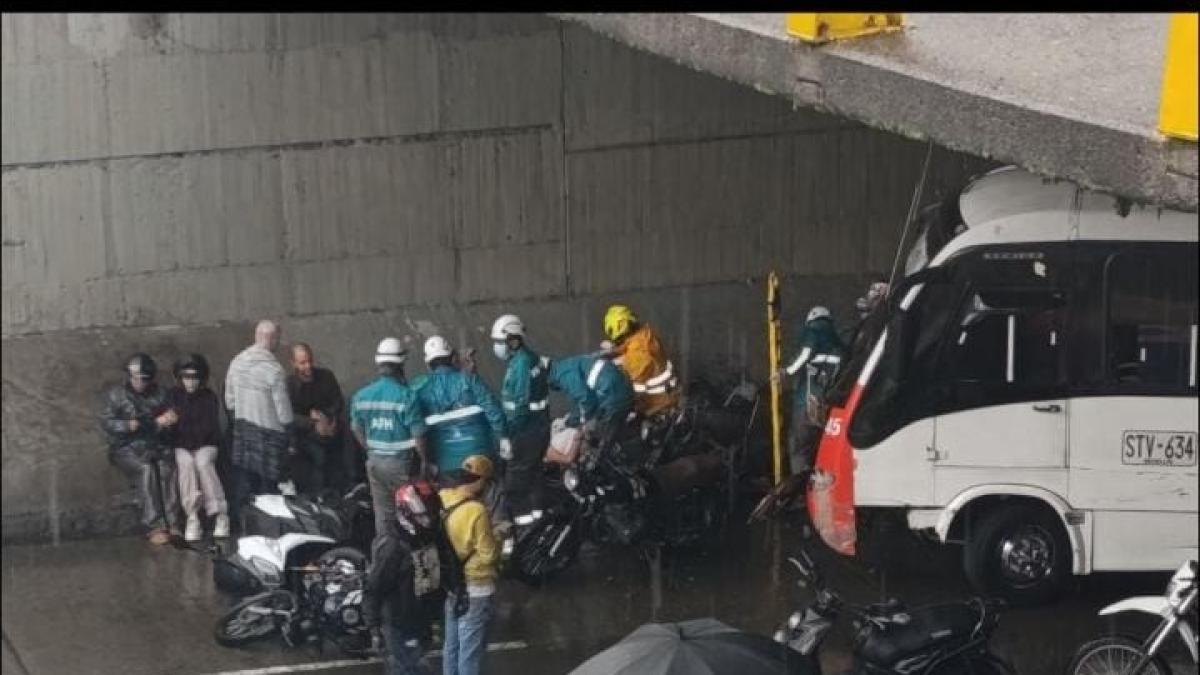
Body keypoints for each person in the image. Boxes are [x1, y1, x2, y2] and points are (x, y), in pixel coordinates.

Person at [364, 479, 454, 675]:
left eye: (430, 515)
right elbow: (374, 588)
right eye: (422, 516)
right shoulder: (392, 548)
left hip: (422, 619)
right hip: (399, 623)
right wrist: (373, 627)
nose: (428, 521)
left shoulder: (431, 536)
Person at [351, 337, 430, 536]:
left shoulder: (361, 396)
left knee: (384, 517)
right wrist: (426, 461)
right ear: (401, 363)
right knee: (415, 515)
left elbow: (355, 427)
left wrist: (370, 449)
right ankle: (416, 559)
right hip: (402, 466)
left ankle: (387, 557)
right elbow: (419, 435)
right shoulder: (407, 396)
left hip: (375, 464)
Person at [100, 353, 182, 545]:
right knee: (146, 470)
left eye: (144, 379)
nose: (140, 383)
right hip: (126, 447)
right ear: (129, 376)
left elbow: (170, 415)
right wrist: (126, 426)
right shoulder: (116, 395)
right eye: (136, 378)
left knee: (167, 468)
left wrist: (170, 419)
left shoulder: (161, 394)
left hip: (155, 444)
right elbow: (107, 422)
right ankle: (153, 525)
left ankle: (173, 522)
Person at [226, 320, 295, 525]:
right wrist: (290, 434)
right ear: (273, 339)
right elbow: (283, 412)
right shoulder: (273, 370)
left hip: (243, 430)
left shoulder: (236, 363)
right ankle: (269, 526)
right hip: (269, 436)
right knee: (269, 485)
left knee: (244, 481)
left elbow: (229, 401)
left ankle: (243, 523)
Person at [439, 456, 501, 675]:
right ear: (480, 480)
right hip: (476, 586)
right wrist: (499, 537)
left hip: (451, 584)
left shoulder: (443, 498)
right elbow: (489, 555)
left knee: (452, 647)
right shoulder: (476, 510)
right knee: (470, 653)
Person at [414, 336, 510, 477]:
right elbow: (494, 412)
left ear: (428, 364)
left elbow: (418, 430)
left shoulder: (420, 390)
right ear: (453, 358)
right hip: (480, 458)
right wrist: (502, 438)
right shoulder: (470, 380)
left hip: (446, 464)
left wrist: (426, 461)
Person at [490, 314, 551, 517]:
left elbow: (520, 405)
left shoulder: (522, 364)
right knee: (534, 476)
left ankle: (523, 528)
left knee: (516, 483)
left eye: (500, 341)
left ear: (512, 339)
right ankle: (538, 520)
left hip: (525, 432)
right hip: (536, 429)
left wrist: (508, 437)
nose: (497, 346)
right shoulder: (525, 359)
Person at [773, 306, 845, 476]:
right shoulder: (838, 342)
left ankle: (800, 488)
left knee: (799, 446)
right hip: (829, 405)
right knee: (821, 447)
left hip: (806, 401)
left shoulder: (812, 331)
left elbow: (805, 353)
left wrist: (786, 372)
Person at [167, 353, 229, 541]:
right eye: (187, 377)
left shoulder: (208, 397)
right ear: (180, 377)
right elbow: (169, 428)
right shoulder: (172, 396)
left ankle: (220, 514)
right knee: (185, 465)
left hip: (206, 444)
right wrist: (169, 424)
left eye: (195, 378)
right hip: (182, 446)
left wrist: (193, 443)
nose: (191, 382)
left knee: (203, 463)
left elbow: (209, 427)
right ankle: (192, 516)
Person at [287, 342, 350, 496]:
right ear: (293, 363)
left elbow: (337, 401)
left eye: (309, 361)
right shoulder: (289, 384)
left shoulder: (326, 376)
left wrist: (325, 417)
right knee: (318, 458)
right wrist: (312, 423)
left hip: (331, 427)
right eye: (302, 363)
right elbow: (288, 416)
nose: (308, 366)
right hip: (305, 436)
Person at [601, 305, 680, 419]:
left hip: (657, 404)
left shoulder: (637, 353)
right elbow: (631, 345)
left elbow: (630, 377)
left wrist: (614, 365)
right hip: (668, 395)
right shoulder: (645, 335)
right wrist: (614, 352)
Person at [547, 352, 634, 442]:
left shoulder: (563, 375)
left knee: (596, 437)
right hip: (621, 385)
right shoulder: (569, 364)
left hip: (612, 395)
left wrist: (568, 423)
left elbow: (586, 401)